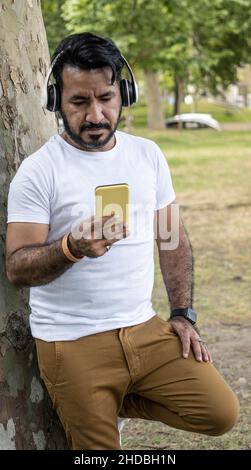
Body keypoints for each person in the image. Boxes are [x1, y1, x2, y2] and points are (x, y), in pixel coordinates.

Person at [5, 32, 239, 450]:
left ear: (123, 93)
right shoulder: (39, 172)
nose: (95, 114)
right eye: (79, 102)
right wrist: (69, 248)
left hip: (145, 330)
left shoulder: (147, 155)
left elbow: (172, 239)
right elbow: (17, 266)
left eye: (106, 98)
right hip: (72, 342)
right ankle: (90, 396)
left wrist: (183, 313)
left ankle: (106, 398)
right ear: (57, 101)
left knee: (221, 413)